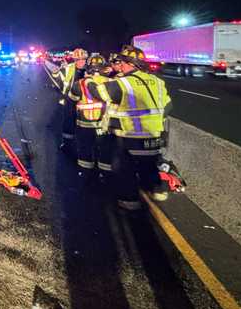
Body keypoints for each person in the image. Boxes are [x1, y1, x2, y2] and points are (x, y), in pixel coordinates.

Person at [87, 45, 172, 210]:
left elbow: (98, 93)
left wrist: (89, 80)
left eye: (124, 62)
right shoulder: (158, 82)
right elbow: (168, 107)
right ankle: (158, 191)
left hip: (130, 137)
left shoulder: (123, 83)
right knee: (149, 165)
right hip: (154, 135)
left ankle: (129, 202)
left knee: (124, 169)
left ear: (132, 64)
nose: (122, 65)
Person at [68, 54, 112, 183]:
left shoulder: (79, 84)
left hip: (85, 125)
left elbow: (71, 102)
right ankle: (105, 176)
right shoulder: (112, 82)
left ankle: (86, 175)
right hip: (105, 125)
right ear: (104, 68)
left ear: (88, 68)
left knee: (85, 149)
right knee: (105, 150)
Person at [53, 48, 88, 153]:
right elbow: (58, 77)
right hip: (70, 101)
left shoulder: (90, 69)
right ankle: (67, 144)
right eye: (78, 60)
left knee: (85, 125)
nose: (80, 62)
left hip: (85, 102)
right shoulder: (68, 68)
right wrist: (56, 72)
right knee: (68, 123)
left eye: (82, 59)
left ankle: (84, 144)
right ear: (74, 60)